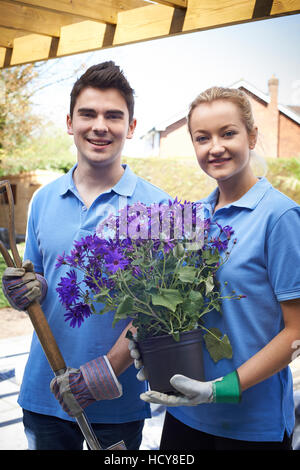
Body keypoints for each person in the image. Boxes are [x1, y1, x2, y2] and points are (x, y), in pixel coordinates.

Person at [1, 61, 170, 450]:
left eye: (113, 116)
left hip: (117, 405)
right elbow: (41, 282)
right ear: (69, 121)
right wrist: (27, 289)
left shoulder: (158, 207)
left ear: (130, 127)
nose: (99, 126)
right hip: (44, 395)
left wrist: (105, 372)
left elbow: (159, 313)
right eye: (88, 114)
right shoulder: (44, 199)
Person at [133, 86, 300, 450]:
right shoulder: (194, 218)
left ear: (252, 136)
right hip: (184, 415)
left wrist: (217, 390)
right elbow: (186, 309)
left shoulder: (280, 217)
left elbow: (296, 332)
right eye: (202, 138)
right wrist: (149, 343)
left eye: (228, 133)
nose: (215, 147)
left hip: (251, 426)